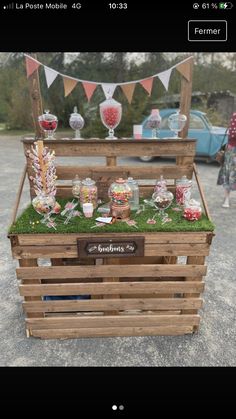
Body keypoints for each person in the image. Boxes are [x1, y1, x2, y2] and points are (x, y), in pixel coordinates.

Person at [217, 112, 236, 208]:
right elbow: (232, 134)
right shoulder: (235, 115)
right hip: (233, 150)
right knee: (229, 174)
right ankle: (227, 199)